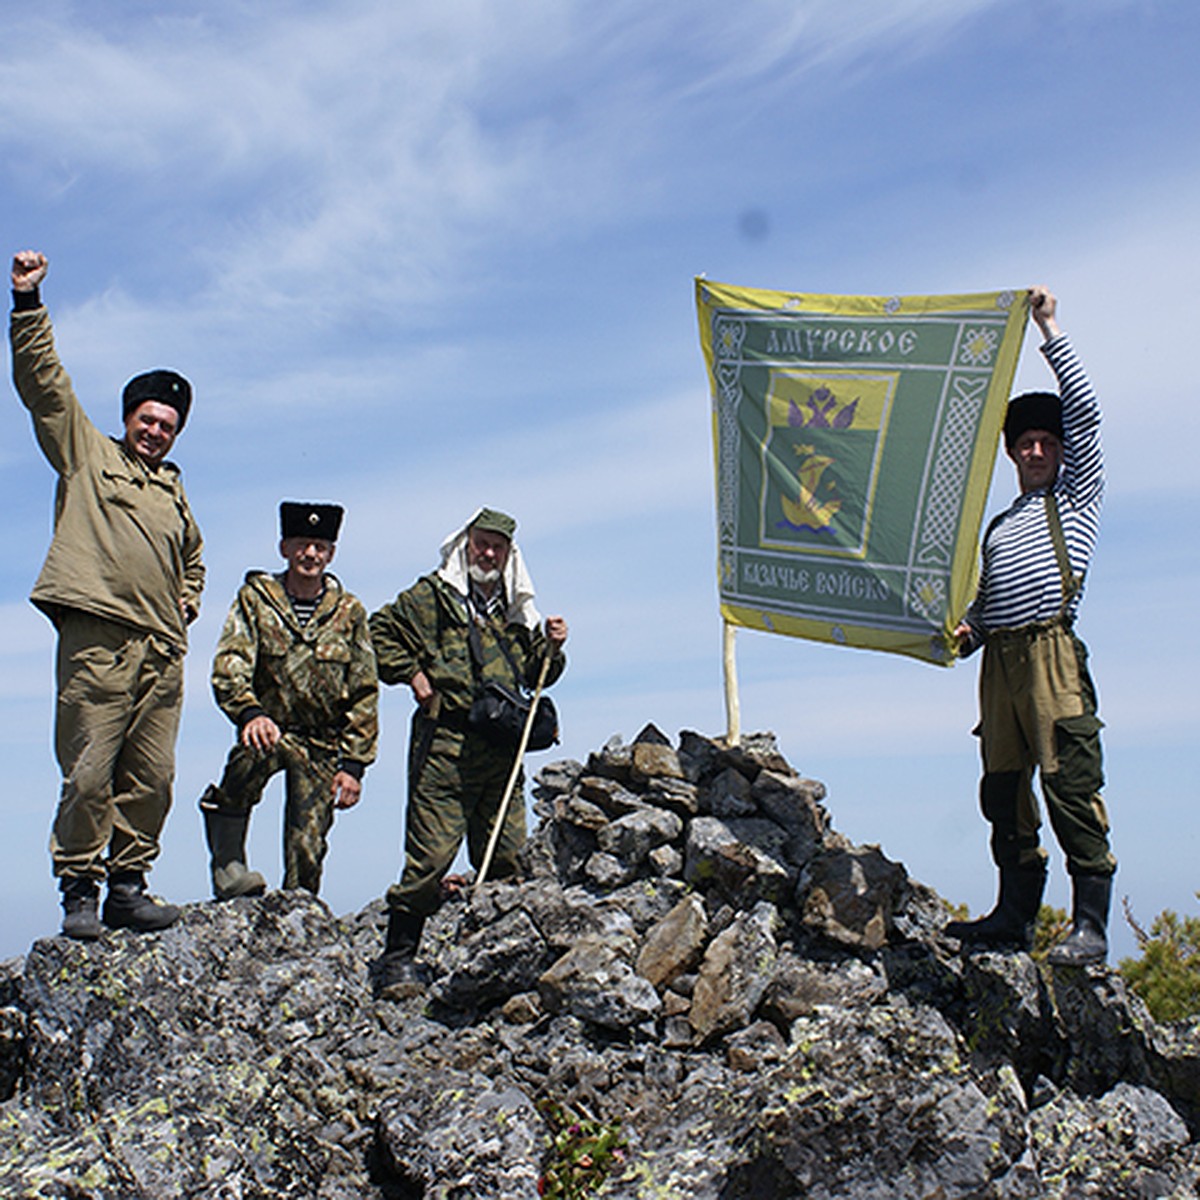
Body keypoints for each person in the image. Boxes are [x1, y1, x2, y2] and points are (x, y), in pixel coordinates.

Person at [10, 249, 204, 939]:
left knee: (151, 780)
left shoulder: (174, 491)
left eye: (168, 425)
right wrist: (29, 304)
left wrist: (189, 598)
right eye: (148, 420)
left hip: (162, 650)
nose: (156, 431)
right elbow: (45, 386)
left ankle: (129, 886)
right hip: (99, 640)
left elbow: (194, 555)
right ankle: (79, 892)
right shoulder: (87, 455)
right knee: (89, 773)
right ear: (128, 419)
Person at [946, 286, 1115, 966]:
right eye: (1027, 443)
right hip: (1001, 666)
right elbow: (985, 608)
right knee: (1004, 788)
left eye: (1048, 441)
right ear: (1013, 453)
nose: (1038, 450)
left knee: (1069, 781)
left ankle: (1092, 929)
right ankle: (1013, 917)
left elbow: (1089, 416)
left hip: (1051, 654)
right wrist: (964, 634)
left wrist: (1049, 330)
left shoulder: (1077, 497)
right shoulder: (1000, 524)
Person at [369, 508, 568, 989]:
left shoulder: (514, 610)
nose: (488, 553)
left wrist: (554, 646)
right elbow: (377, 632)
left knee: (505, 855)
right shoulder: (433, 596)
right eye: (481, 543)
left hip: (501, 747)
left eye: (497, 547)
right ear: (465, 545)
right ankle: (397, 960)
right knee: (431, 855)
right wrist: (414, 676)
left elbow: (538, 673)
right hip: (446, 745)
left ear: (508, 555)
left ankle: (495, 960)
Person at [199, 502, 378, 899]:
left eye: (319, 546)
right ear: (284, 548)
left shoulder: (349, 612)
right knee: (245, 763)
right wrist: (249, 713)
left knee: (308, 845)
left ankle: (299, 911)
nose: (310, 554)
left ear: (330, 554)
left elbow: (364, 691)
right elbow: (231, 662)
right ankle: (228, 869)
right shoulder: (256, 599)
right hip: (269, 727)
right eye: (301, 545)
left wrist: (353, 766)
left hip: (321, 742)